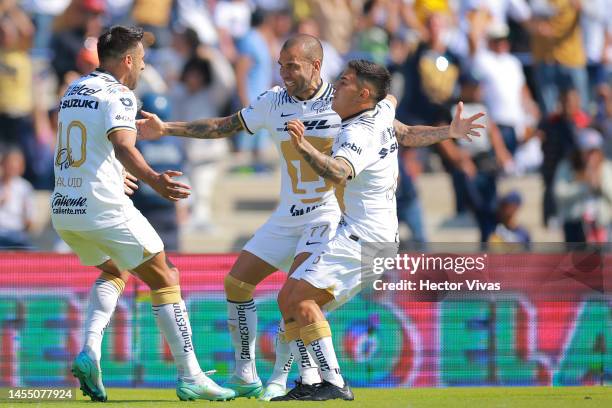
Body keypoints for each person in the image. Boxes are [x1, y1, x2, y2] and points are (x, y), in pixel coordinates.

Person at [273, 59, 484, 401]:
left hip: (364, 239)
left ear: (363, 93)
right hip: (374, 237)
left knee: (301, 300)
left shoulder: (358, 133)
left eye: (343, 82)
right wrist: (448, 132)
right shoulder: (383, 109)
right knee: (288, 300)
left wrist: (305, 148)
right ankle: (310, 381)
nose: (335, 87)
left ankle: (333, 382)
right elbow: (405, 132)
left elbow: (340, 171)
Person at [50, 26, 234, 402]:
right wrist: (153, 179)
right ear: (128, 60)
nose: (144, 68)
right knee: (166, 276)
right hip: (102, 205)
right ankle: (191, 376)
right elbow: (120, 144)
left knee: (114, 269)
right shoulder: (121, 94)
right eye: (143, 60)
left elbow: (85, 144)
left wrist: (117, 174)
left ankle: (90, 351)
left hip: (66, 207)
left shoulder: (74, 90)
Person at [0, 147, 35, 249]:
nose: (12, 167)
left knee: (32, 253)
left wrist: (26, 217)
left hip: (17, 236)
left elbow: (29, 221)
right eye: (9, 164)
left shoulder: (25, 187)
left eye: (16, 164)